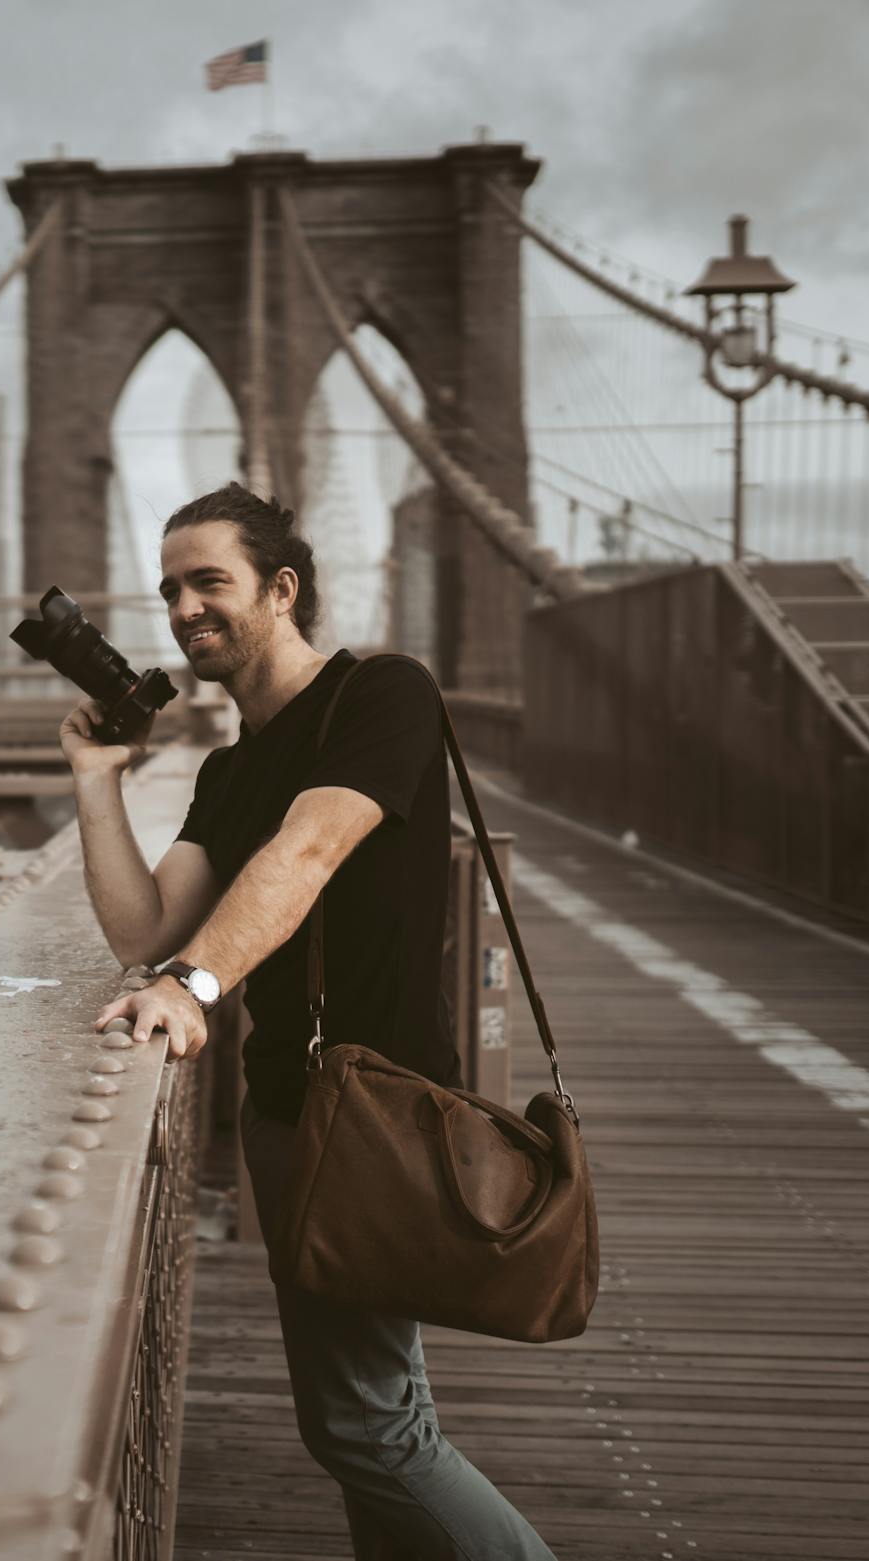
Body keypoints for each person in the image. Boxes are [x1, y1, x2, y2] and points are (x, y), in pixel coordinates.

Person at [66, 482, 553, 1561]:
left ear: (279, 589)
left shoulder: (379, 695)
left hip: (378, 1110)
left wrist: (191, 992)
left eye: (209, 581)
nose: (184, 606)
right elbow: (142, 928)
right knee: (376, 1417)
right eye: (169, 589)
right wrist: (96, 782)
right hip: (290, 1120)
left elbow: (308, 850)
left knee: (366, 1427)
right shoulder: (229, 768)